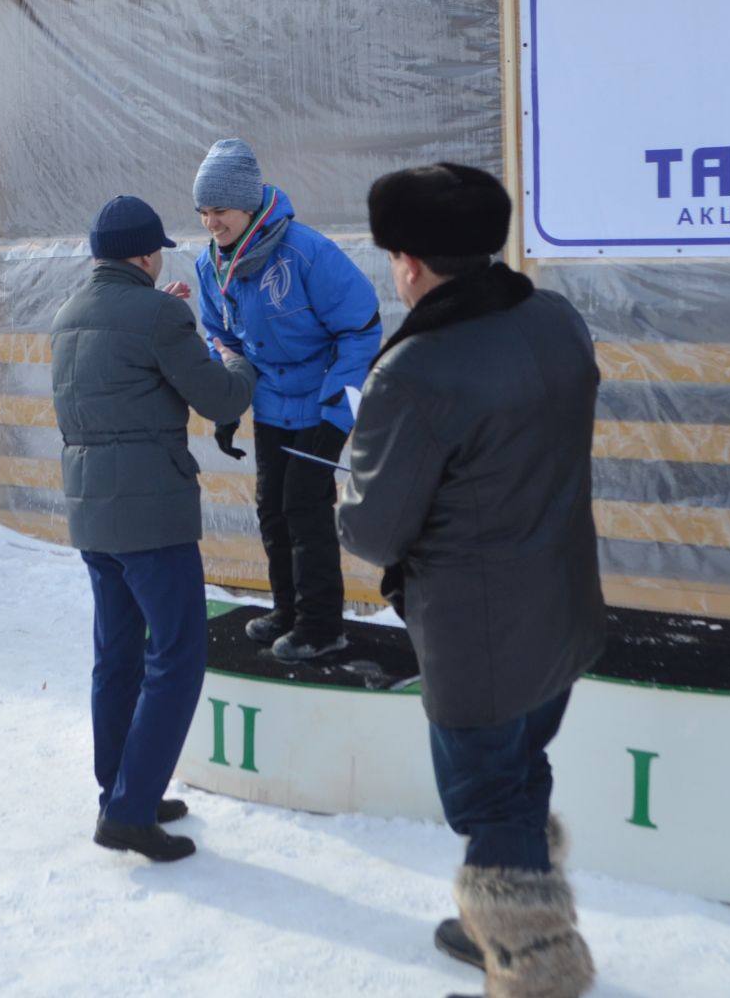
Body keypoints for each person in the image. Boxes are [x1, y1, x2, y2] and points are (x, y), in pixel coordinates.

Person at [336, 165, 602, 998]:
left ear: (409, 263)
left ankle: (536, 966)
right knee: (523, 771)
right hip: (559, 608)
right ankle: (511, 919)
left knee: (489, 796)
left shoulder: (417, 370)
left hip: (477, 638)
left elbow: (374, 530)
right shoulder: (555, 320)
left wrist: (353, 471)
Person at [51, 195, 256, 863]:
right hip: (153, 515)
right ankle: (132, 813)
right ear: (145, 255)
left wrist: (166, 320)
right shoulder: (162, 315)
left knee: (117, 655)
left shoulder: (68, 316)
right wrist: (234, 356)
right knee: (177, 656)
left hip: (92, 512)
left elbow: (124, 374)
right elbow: (220, 397)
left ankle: (120, 789)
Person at [190, 137, 380, 661]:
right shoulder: (211, 266)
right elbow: (221, 335)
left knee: (306, 506)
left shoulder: (305, 251)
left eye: (220, 210)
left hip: (322, 401)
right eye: (203, 211)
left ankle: (322, 625)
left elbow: (362, 328)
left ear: (248, 206)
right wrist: (230, 398)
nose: (211, 222)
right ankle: (288, 610)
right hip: (272, 401)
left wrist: (338, 414)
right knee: (272, 508)